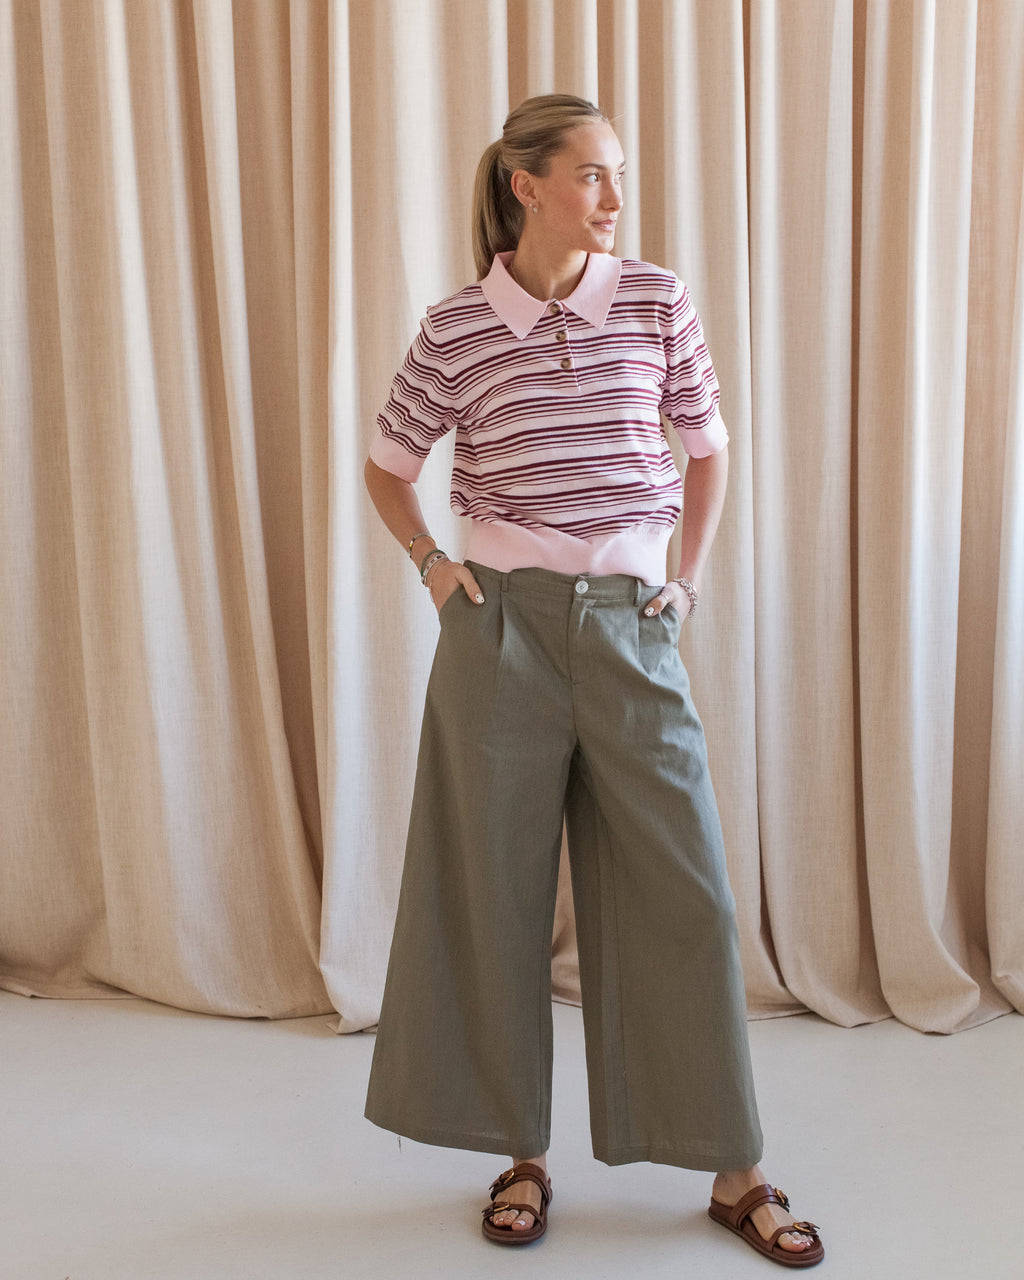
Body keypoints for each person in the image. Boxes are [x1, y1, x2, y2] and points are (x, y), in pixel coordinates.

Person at [362, 93, 823, 1268]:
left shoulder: (657, 299)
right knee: (493, 895)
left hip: (631, 624)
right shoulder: (457, 325)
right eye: (592, 174)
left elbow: (707, 449)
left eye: (617, 173)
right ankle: (519, 1154)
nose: (614, 195)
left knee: (688, 893)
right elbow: (387, 464)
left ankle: (736, 1169)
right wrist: (432, 566)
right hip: (499, 633)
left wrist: (685, 582)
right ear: (526, 185)